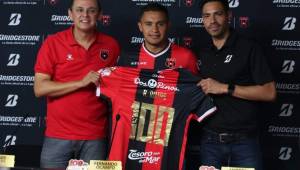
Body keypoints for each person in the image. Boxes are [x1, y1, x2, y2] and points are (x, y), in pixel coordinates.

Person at [188, 0, 277, 169]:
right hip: (210, 142)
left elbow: (269, 92)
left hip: (244, 144)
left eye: (218, 14)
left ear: (229, 15)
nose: (212, 20)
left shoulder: (249, 48)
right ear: (202, 19)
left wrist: (224, 88)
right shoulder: (200, 51)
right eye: (207, 16)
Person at [33, 0, 120, 168]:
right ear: (70, 14)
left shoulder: (111, 45)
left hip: (95, 137)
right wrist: (81, 83)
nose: (85, 15)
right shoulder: (53, 43)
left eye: (91, 10)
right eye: (79, 10)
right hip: (57, 135)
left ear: (100, 15)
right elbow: (40, 88)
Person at [117, 3, 198, 74]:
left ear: (168, 26)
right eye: (148, 24)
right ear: (140, 26)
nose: (154, 30)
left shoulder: (186, 57)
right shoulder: (127, 56)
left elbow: (195, 88)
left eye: (160, 24)